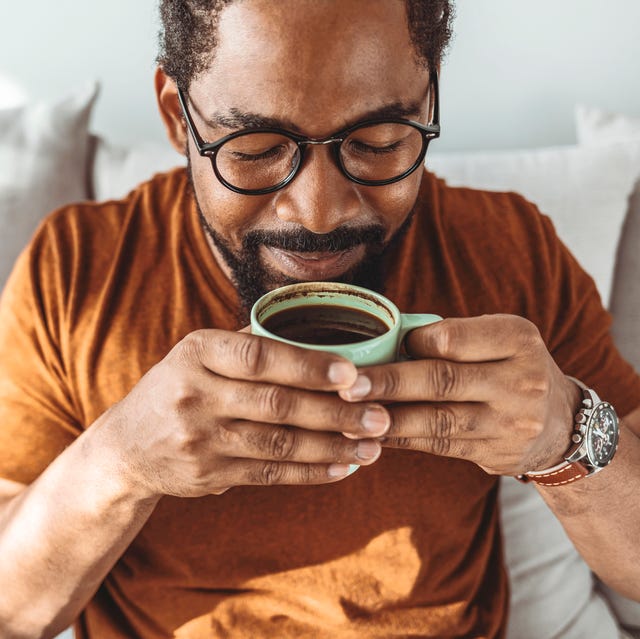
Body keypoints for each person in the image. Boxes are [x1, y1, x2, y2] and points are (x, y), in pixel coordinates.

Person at [0, 1, 639, 637]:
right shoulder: (77, 271)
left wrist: (565, 432)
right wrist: (121, 463)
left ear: (430, 106)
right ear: (176, 116)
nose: (319, 212)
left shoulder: (508, 249)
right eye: (256, 149)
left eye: (376, 143)